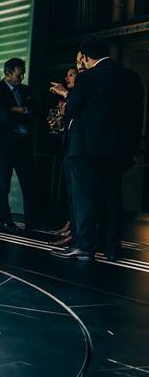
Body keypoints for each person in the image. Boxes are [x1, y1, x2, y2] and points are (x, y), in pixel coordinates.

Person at [53, 41, 144, 261]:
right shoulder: (131, 77)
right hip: (117, 150)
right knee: (112, 197)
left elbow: (73, 109)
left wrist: (67, 97)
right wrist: (131, 147)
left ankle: (85, 246)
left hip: (85, 148)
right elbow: (136, 115)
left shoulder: (87, 78)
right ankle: (112, 247)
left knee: (85, 198)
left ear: (84, 56)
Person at [0, 57, 36, 232]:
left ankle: (32, 221)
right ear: (7, 74)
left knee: (29, 183)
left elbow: (35, 110)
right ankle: (2, 218)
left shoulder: (26, 90)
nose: (22, 77)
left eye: (22, 73)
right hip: (3, 144)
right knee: (2, 184)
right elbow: (3, 116)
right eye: (19, 74)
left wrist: (19, 109)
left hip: (23, 144)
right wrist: (23, 111)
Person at [47, 67, 78, 247]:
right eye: (66, 74)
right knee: (69, 190)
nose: (67, 77)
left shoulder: (75, 96)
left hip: (78, 148)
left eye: (71, 74)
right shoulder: (65, 98)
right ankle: (70, 224)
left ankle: (75, 230)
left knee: (76, 192)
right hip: (66, 145)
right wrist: (59, 121)